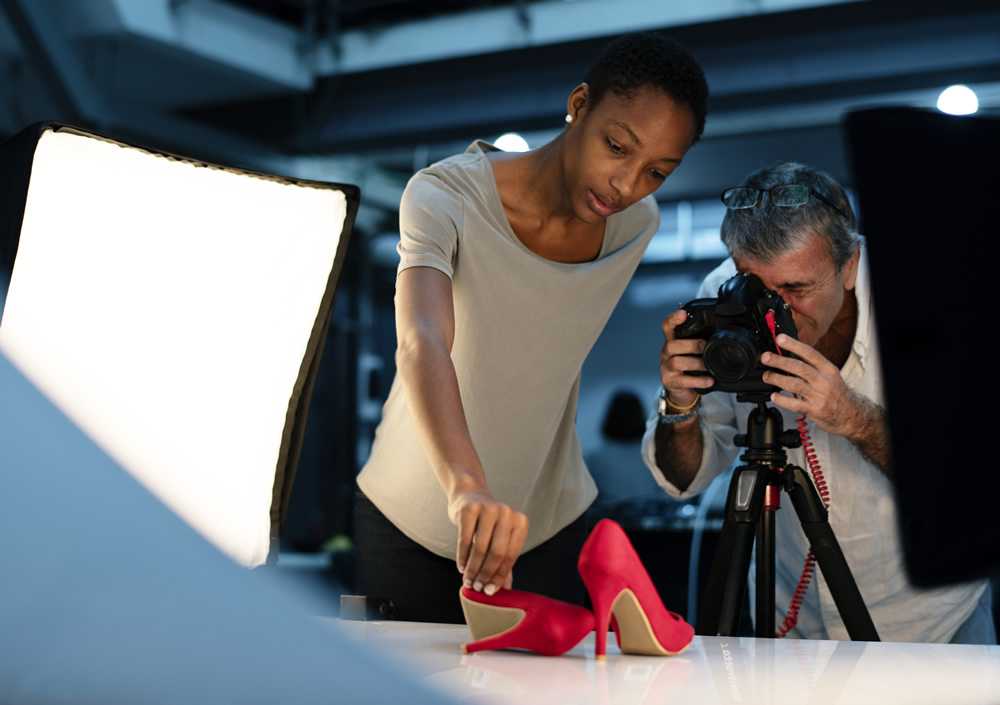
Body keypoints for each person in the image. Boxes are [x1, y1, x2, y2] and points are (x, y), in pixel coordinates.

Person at [354, 32, 710, 623]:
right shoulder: (444, 195)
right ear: (578, 106)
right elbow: (423, 341)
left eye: (657, 172)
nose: (627, 185)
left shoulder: (634, 226)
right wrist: (468, 485)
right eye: (616, 146)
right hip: (411, 519)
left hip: (548, 528)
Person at [642, 162, 995, 643]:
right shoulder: (721, 295)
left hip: (935, 620)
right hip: (795, 625)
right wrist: (680, 404)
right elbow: (683, 478)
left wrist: (853, 417)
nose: (774, 313)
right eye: (756, 288)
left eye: (795, 289)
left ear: (850, 266)